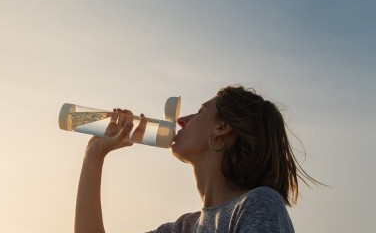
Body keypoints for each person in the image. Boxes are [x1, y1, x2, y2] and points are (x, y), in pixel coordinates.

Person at [74, 85, 324, 233]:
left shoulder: (260, 204)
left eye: (202, 110)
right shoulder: (184, 228)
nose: (181, 121)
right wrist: (94, 154)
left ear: (222, 127)